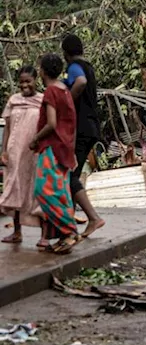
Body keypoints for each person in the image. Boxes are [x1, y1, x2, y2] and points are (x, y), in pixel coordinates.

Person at [29, 54, 79, 254]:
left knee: (44, 190)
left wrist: (35, 139)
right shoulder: (64, 90)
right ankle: (62, 236)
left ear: (42, 71)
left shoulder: (51, 91)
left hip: (52, 147)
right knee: (61, 192)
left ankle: (69, 230)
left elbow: (51, 123)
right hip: (64, 147)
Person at [62, 34, 105, 238]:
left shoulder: (74, 67)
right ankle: (68, 220)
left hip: (81, 129)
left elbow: (79, 82)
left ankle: (93, 218)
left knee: (69, 175)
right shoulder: (89, 66)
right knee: (73, 174)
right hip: (91, 126)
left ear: (65, 54)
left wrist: (66, 103)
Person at [1, 67, 45, 246]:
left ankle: (44, 235)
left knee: (37, 190)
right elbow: (8, 128)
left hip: (34, 153)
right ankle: (17, 232)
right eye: (22, 82)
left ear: (36, 80)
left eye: (28, 81)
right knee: (15, 189)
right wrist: (4, 150)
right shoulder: (13, 100)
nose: (25, 85)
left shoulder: (43, 100)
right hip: (15, 153)